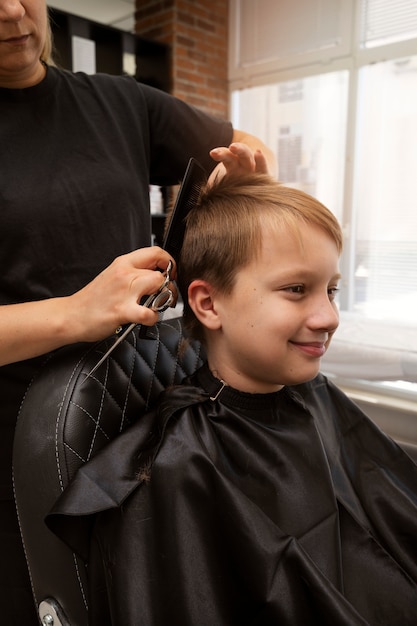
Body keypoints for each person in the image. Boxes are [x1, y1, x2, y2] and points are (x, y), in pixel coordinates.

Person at [0, 1, 276, 621]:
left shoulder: (120, 104)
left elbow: (246, 147)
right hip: (15, 450)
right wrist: (75, 313)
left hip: (132, 415)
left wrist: (237, 185)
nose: (11, 10)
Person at [48, 174, 417, 625]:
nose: (329, 317)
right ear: (208, 304)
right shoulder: (180, 467)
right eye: (296, 290)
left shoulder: (314, 395)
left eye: (331, 290)